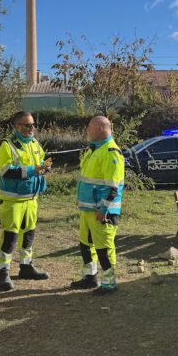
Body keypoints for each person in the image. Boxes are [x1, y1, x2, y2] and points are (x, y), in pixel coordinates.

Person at [0, 111, 53, 291]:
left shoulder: (35, 143)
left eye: (33, 125)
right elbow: (5, 171)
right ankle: (3, 271)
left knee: (28, 234)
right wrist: (32, 170)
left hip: (31, 198)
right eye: (28, 125)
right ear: (17, 126)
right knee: (10, 236)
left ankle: (26, 266)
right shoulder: (7, 145)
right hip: (13, 200)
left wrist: (45, 168)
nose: (32, 129)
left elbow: (41, 162)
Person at [71, 116, 124, 295]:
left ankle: (109, 283)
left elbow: (113, 187)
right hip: (88, 209)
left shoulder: (110, 152)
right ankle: (90, 277)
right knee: (86, 244)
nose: (88, 130)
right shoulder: (94, 149)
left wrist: (104, 209)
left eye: (90, 127)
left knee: (104, 248)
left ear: (101, 129)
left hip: (102, 212)